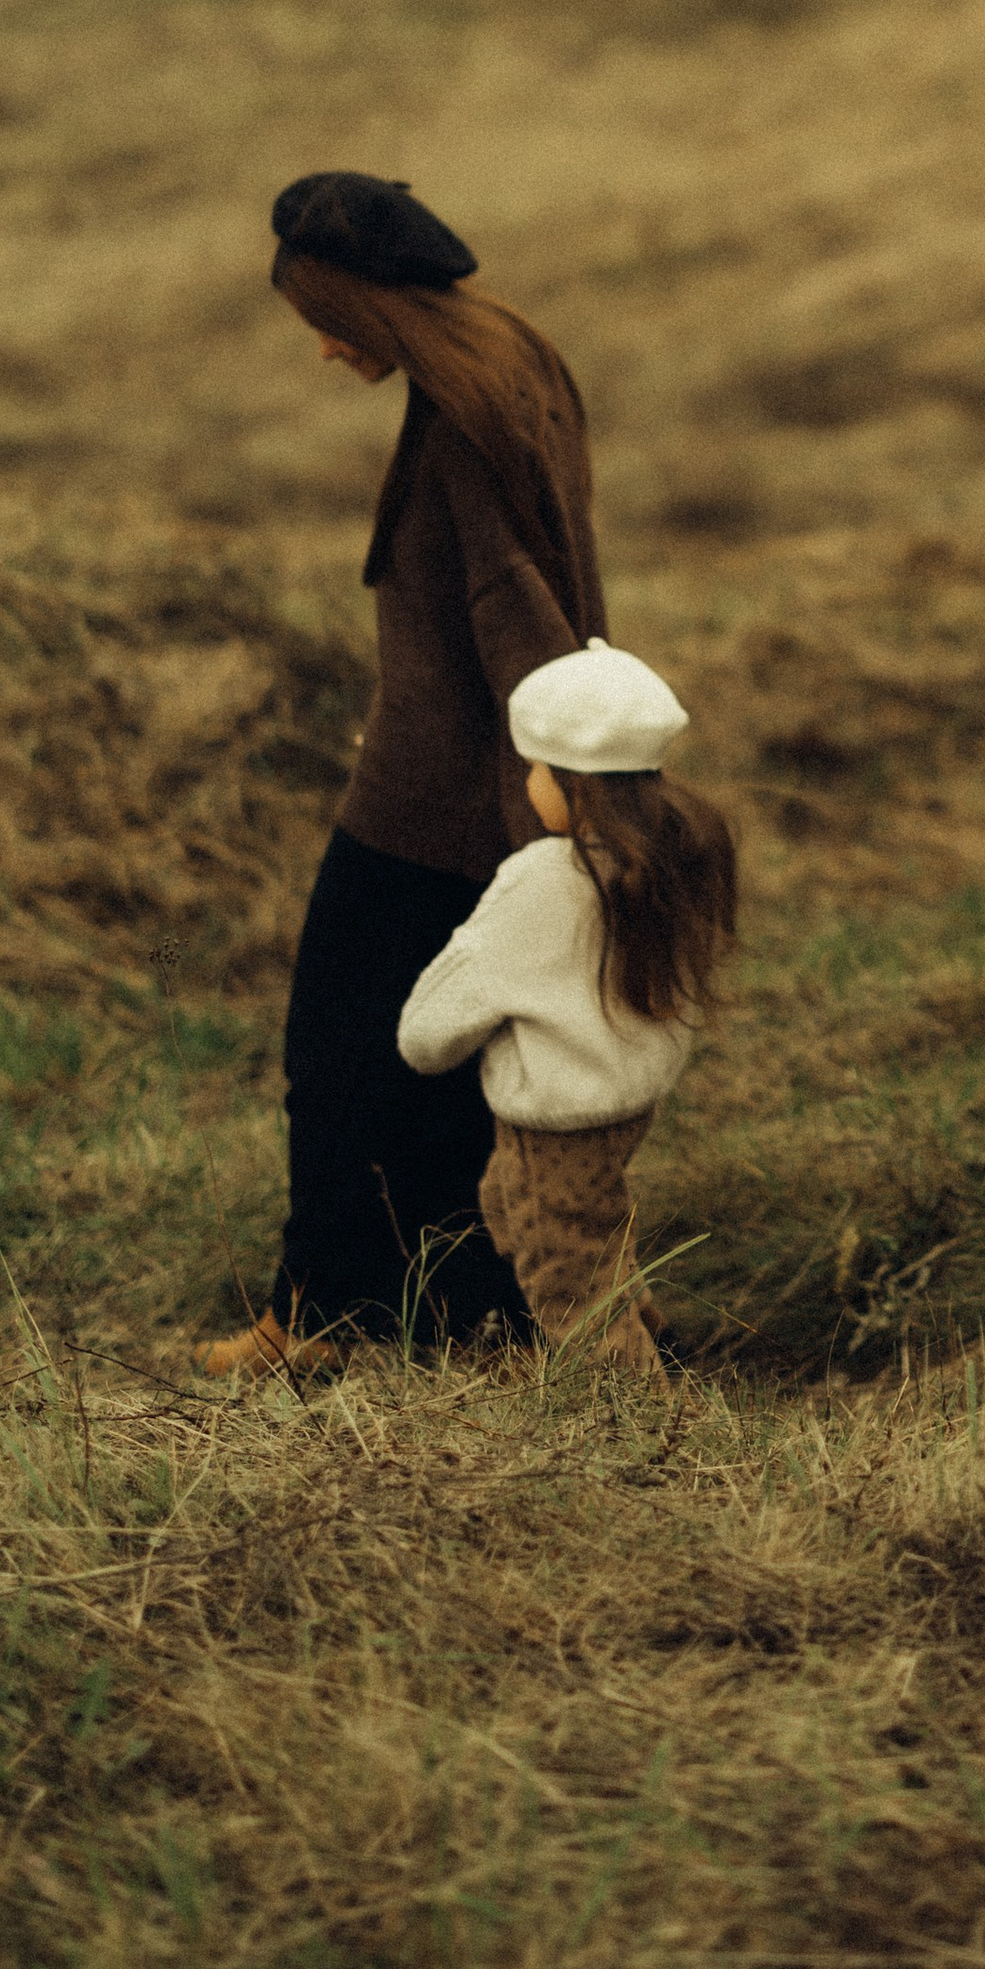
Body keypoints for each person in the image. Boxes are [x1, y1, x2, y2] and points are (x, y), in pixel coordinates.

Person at [195, 171, 605, 1373]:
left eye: (327, 321)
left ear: (378, 307)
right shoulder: (509, 359)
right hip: (480, 791)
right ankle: (446, 1302)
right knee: (433, 1075)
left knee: (337, 1063)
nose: (323, 349)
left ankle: (316, 1322)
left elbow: (519, 618)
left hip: (441, 804)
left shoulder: (471, 422)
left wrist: (561, 801)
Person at [396, 642, 738, 1375]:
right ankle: (645, 1322)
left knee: (564, 1271)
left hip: (558, 1120)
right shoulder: (665, 859)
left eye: (538, 769)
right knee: (540, 1210)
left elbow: (440, 1014)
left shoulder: (543, 880)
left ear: (575, 784)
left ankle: (632, 1401)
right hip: (619, 1109)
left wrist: (425, 1038)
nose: (529, 784)